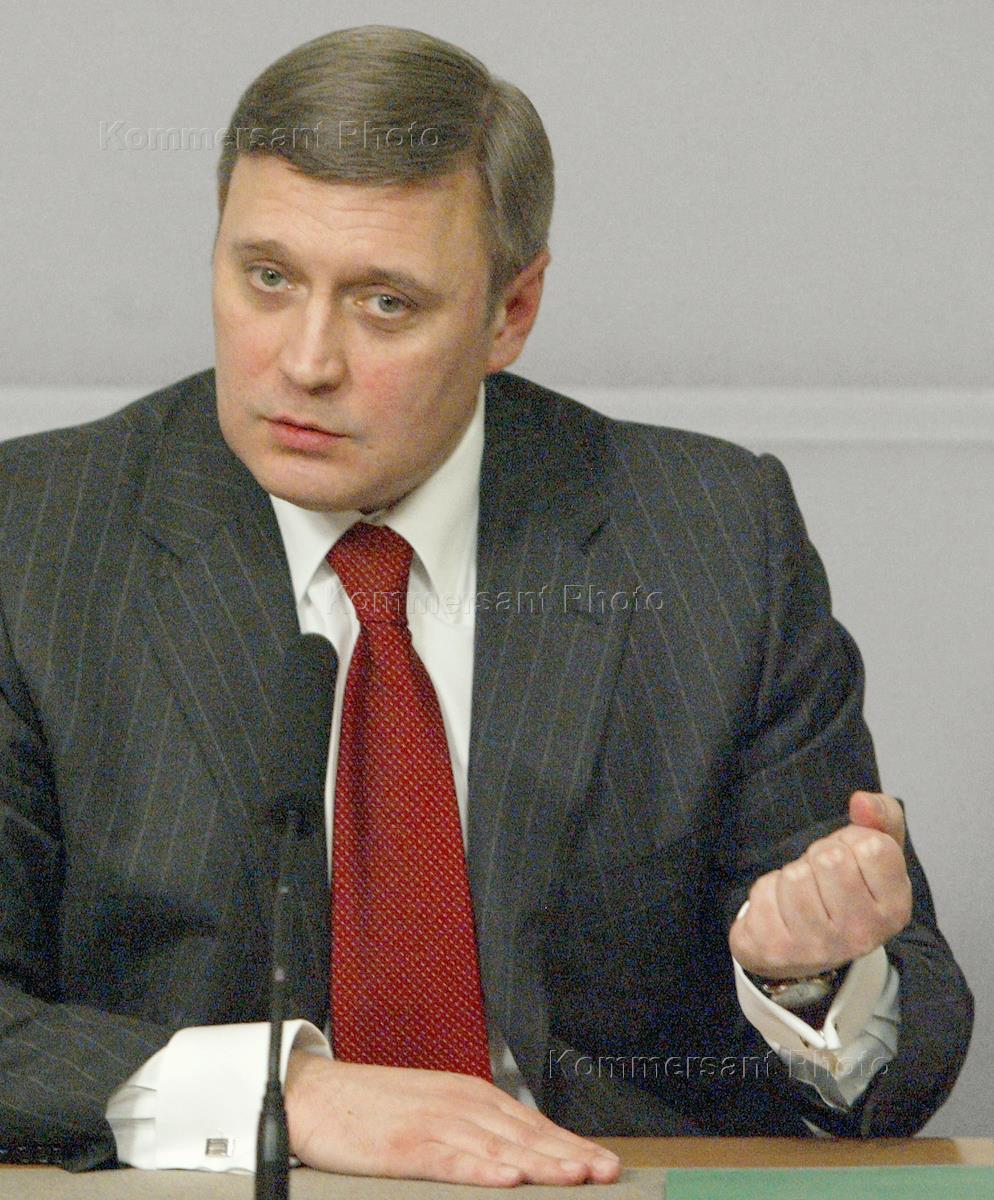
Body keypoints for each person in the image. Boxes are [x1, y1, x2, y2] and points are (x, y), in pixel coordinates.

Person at [0, 25, 972, 1188]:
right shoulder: (34, 538)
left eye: (385, 303)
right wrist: (289, 1092)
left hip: (591, 1179)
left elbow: (900, 1062)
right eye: (267, 278)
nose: (304, 361)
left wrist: (808, 976)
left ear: (510, 312)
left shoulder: (707, 539)